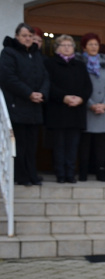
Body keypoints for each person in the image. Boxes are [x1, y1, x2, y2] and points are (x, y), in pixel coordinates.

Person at [0, 23, 49, 186]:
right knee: (19, 144)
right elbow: (8, 78)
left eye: (30, 36)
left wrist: (42, 92)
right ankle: (21, 176)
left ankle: (32, 174)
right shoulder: (9, 52)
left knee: (31, 145)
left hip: (34, 108)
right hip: (17, 106)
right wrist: (29, 93)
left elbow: (45, 77)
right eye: (24, 36)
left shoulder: (35, 54)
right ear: (17, 37)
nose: (28, 39)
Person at [44, 34, 92, 184]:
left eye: (69, 45)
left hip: (76, 112)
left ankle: (70, 173)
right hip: (58, 111)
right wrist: (63, 97)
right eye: (63, 45)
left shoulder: (80, 65)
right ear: (57, 48)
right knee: (59, 145)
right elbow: (48, 85)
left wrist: (81, 98)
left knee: (73, 145)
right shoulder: (50, 64)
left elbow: (87, 86)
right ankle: (60, 174)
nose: (67, 48)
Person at [78, 33, 105, 182]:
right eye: (90, 44)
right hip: (88, 107)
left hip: (104, 109)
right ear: (84, 47)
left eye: (96, 44)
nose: (94, 47)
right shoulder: (79, 63)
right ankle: (83, 172)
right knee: (85, 144)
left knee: (101, 144)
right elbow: (80, 86)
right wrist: (92, 104)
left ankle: (101, 171)